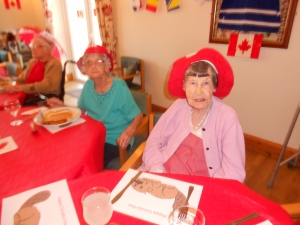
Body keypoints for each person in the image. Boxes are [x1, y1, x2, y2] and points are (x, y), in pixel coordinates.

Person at [139, 48, 246, 182]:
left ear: (214, 86)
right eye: (192, 83)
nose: (198, 91)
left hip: (201, 187)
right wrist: (156, 165)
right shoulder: (179, 106)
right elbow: (154, 141)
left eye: (206, 83)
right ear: (184, 86)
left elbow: (234, 172)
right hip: (163, 173)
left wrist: (209, 190)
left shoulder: (227, 118)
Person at [47, 45, 143, 168]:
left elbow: (138, 115)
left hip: (114, 138)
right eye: (89, 63)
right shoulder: (88, 85)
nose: (93, 66)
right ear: (85, 69)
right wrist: (63, 106)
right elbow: (81, 110)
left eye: (98, 61)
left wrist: (129, 131)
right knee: (69, 150)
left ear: (107, 65)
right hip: (93, 134)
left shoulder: (119, 86)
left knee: (88, 162)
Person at [4, 34, 62, 106]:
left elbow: (47, 85)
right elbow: (21, 79)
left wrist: (21, 88)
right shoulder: (33, 62)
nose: (33, 49)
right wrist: (7, 80)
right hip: (29, 97)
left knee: (13, 106)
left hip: (45, 99)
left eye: (37, 46)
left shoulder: (54, 63)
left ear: (48, 48)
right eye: (32, 46)